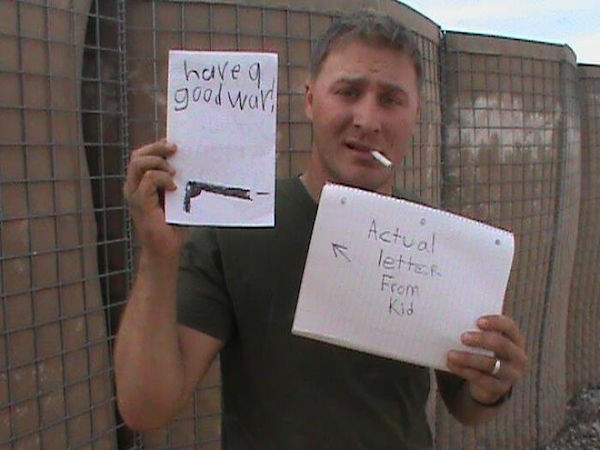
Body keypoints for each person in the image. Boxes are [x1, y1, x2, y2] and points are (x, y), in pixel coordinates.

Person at [115, 10, 528, 449]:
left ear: (416, 114)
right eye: (348, 92)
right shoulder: (238, 228)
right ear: (310, 100)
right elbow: (146, 408)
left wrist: (493, 384)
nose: (367, 119)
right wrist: (158, 257)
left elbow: (465, 405)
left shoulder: (433, 243)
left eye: (391, 99)